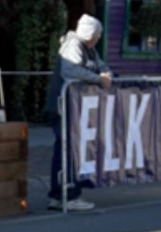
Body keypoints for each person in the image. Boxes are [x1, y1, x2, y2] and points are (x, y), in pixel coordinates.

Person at [44, 13, 113, 211]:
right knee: (67, 150)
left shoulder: (89, 49)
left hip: (74, 108)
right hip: (63, 106)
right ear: (91, 35)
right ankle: (66, 194)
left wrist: (107, 74)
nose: (98, 40)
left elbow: (100, 65)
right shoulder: (73, 45)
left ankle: (61, 194)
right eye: (97, 36)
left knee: (68, 149)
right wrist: (99, 79)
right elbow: (70, 71)